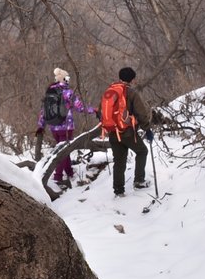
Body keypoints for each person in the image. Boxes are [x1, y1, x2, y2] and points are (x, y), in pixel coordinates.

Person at [36, 67, 94, 189]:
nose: (69, 80)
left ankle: (69, 172)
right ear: (64, 79)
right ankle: (57, 177)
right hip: (66, 126)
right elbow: (79, 107)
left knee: (63, 149)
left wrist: (41, 126)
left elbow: (43, 111)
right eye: (67, 78)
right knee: (62, 152)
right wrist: (93, 110)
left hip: (53, 127)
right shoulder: (68, 92)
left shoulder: (49, 92)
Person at [104, 67, 153, 197]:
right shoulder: (131, 93)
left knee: (119, 161)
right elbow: (141, 113)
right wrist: (147, 129)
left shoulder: (109, 91)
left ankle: (119, 191)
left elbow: (101, 112)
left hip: (113, 132)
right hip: (127, 133)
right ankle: (139, 181)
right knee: (142, 151)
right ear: (132, 79)